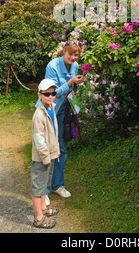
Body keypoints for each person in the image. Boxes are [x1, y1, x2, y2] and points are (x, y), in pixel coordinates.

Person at [44, 40, 83, 203]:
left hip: (64, 110)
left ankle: (58, 185)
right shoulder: (52, 66)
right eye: (70, 54)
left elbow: (68, 89)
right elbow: (50, 93)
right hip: (50, 110)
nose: (73, 58)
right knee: (47, 149)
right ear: (64, 52)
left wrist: (72, 91)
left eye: (76, 55)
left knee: (61, 148)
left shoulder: (74, 65)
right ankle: (43, 191)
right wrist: (70, 83)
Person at [31, 78, 60, 229]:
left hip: (51, 155)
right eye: (46, 94)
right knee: (38, 187)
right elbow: (39, 140)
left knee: (44, 183)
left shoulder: (51, 107)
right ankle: (38, 218)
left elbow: (53, 133)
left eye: (53, 93)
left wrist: (56, 151)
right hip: (42, 157)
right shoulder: (39, 115)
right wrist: (45, 157)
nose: (50, 96)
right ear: (39, 95)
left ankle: (43, 208)